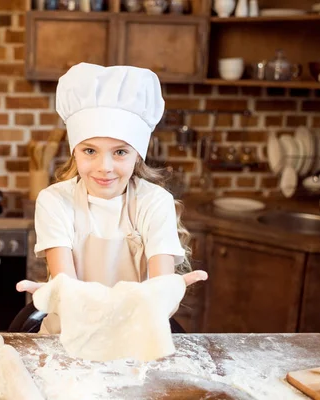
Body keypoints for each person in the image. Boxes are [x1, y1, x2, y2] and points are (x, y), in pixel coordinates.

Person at [16, 62, 208, 333]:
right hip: (68, 336)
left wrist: (165, 295)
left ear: (138, 154)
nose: (104, 167)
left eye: (120, 152)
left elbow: (161, 293)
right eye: (90, 151)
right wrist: (59, 294)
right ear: (75, 152)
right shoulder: (55, 200)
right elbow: (67, 291)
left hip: (137, 337)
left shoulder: (155, 202)